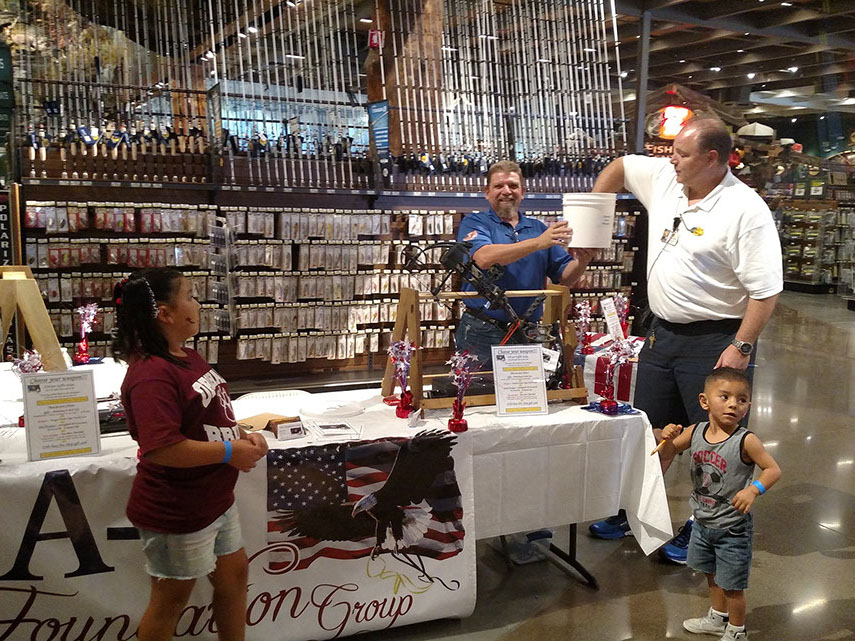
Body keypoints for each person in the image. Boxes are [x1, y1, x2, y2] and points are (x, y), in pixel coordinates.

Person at [587, 116, 783, 563]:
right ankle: (638, 511)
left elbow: (766, 290)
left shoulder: (745, 210)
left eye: (681, 153)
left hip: (717, 339)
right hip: (662, 334)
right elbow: (619, 167)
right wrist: (593, 226)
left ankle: (704, 527)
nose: (669, 158)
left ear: (711, 159)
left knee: (714, 441)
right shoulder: (666, 177)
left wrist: (742, 346)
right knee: (655, 431)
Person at [112, 268, 268, 641]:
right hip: (177, 509)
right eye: (191, 295)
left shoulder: (187, 356)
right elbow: (163, 449)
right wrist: (231, 451)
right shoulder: (152, 374)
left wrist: (243, 435)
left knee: (234, 578)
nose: (198, 304)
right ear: (165, 314)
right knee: (171, 601)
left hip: (213, 499)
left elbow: (205, 416)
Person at [657, 367, 781, 641]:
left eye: (741, 399)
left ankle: (737, 631)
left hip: (733, 528)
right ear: (705, 401)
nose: (733, 405)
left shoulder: (745, 440)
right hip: (702, 522)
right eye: (724, 397)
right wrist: (666, 437)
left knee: (733, 585)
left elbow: (773, 470)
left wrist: (753, 490)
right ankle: (717, 618)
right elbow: (667, 452)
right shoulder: (695, 431)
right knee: (710, 573)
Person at [455, 160, 596, 367]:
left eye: (512, 186)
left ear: (523, 191)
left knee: (524, 395)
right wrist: (538, 243)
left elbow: (565, 276)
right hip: (482, 330)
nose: (506, 191)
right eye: (498, 186)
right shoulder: (475, 222)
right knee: (478, 396)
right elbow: (484, 258)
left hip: (528, 330)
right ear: (487, 192)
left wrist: (583, 259)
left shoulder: (538, 228)